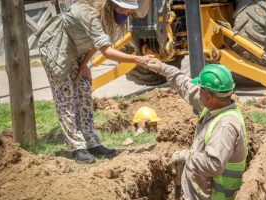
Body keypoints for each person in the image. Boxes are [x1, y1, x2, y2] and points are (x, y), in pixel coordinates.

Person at [37, 0, 154, 164]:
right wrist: (138, 59)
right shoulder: (90, 14)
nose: (125, 14)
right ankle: (77, 147)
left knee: (84, 92)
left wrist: (84, 65)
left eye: (128, 11)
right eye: (123, 10)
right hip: (56, 46)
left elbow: (96, 43)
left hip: (77, 49)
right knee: (66, 97)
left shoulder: (108, 19)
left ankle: (92, 142)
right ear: (111, 5)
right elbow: (106, 51)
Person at [144, 59, 248, 200]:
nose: (198, 92)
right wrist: (163, 68)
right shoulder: (215, 106)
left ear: (209, 96)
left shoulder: (225, 126)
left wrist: (185, 156)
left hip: (214, 196)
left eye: (200, 89)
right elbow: (185, 85)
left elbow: (214, 165)